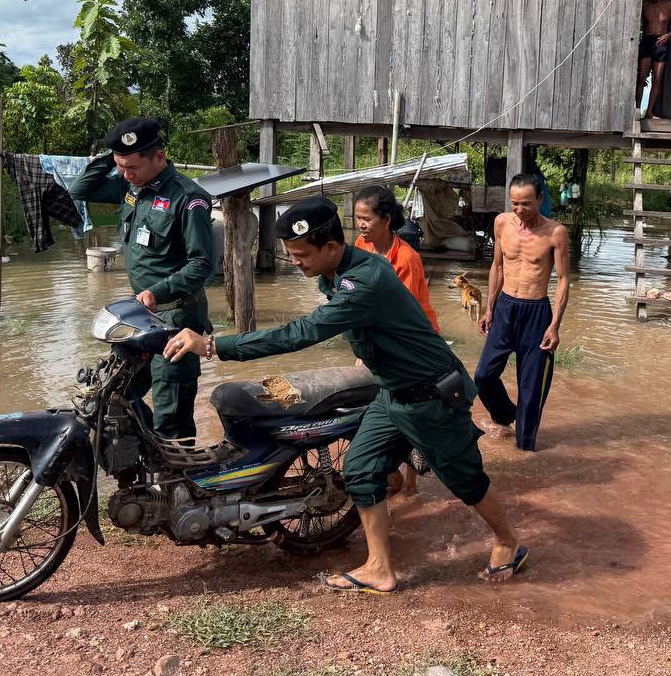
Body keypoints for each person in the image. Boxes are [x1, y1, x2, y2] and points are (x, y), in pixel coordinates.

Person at [162, 197, 527, 592]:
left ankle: (508, 541)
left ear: (332, 247)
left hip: (430, 397)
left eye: (302, 255)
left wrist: (213, 346)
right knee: (360, 469)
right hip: (392, 392)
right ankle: (380, 567)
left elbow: (302, 333)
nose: (295, 262)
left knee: (465, 479)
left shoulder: (364, 282)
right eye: (290, 254)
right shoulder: (341, 270)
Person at [68, 117, 214, 439]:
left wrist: (157, 291)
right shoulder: (131, 186)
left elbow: (202, 264)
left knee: (171, 415)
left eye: (132, 167)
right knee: (111, 395)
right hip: (141, 317)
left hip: (176, 318)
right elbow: (79, 189)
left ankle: (175, 469)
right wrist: (116, 154)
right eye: (121, 167)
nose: (125, 174)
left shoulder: (188, 198)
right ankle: (142, 456)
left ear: (159, 157)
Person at [473, 174, 571, 452]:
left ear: (540, 199)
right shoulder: (502, 223)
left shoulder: (555, 232)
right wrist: (489, 308)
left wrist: (554, 325)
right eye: (514, 203)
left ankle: (525, 452)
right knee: (483, 376)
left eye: (526, 203)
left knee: (531, 391)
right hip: (505, 308)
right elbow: (498, 266)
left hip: (536, 312)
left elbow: (563, 279)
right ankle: (505, 415)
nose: (519, 209)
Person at [354, 184, 440, 496]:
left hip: (413, 341)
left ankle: (411, 482)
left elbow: (401, 315)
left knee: (409, 409)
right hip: (377, 336)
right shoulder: (361, 246)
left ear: (386, 220)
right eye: (358, 218)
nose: (361, 225)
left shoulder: (407, 258)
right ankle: (391, 474)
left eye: (367, 219)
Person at [635, 0, 671, 120]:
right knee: (642, 78)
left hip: (661, 42)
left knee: (657, 78)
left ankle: (649, 112)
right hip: (647, 41)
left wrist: (669, 35)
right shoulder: (645, 5)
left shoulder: (670, 5)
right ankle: (637, 109)